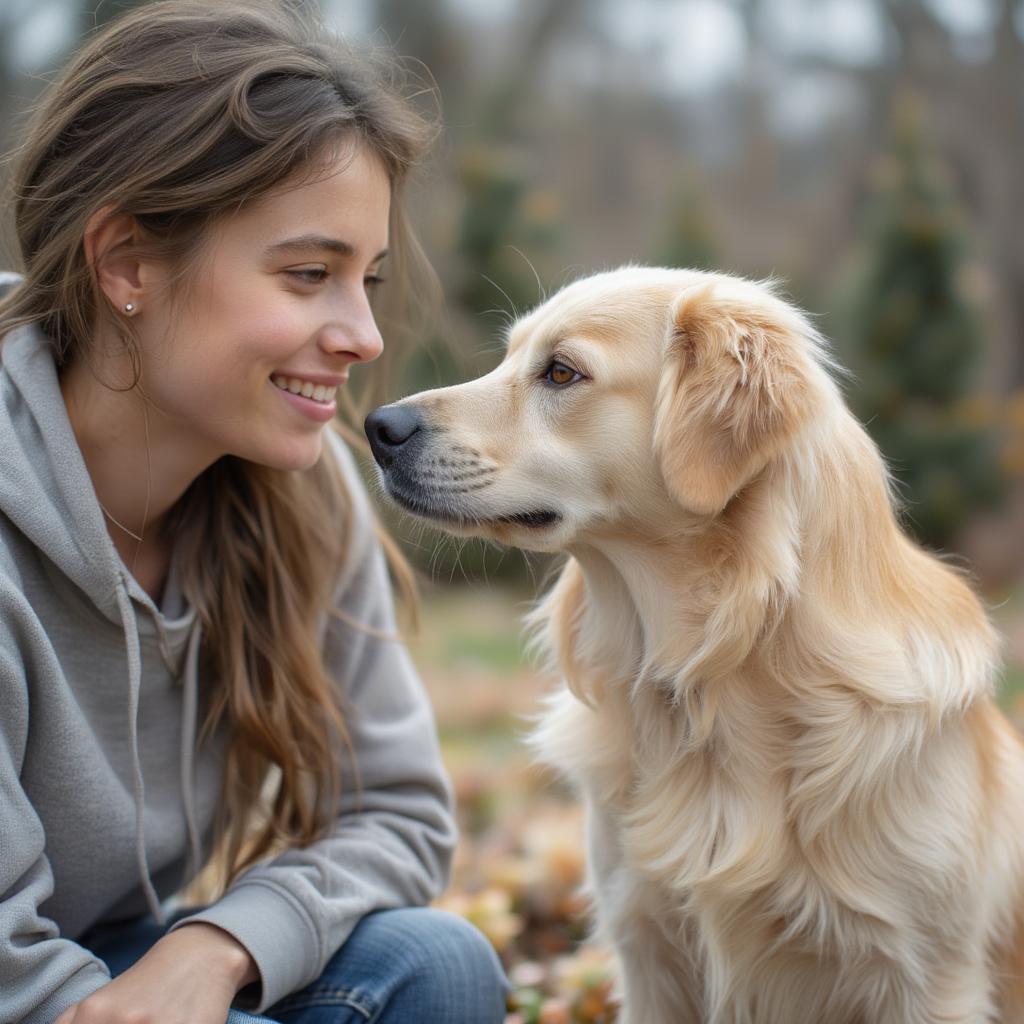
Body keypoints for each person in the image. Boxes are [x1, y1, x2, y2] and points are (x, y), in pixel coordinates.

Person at [0, 3, 508, 1022]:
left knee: (438, 965)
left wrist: (221, 942)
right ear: (128, 264)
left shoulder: (301, 486)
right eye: (309, 275)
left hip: (109, 946)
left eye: (366, 280)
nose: (363, 334)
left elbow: (398, 810)